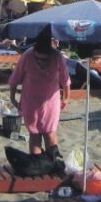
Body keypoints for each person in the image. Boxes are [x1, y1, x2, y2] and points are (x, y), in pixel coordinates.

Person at [8, 24, 70, 155]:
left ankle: (45, 164)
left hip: (41, 101)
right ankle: (44, 163)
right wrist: (13, 97)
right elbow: (15, 78)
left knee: (42, 134)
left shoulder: (49, 56)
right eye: (39, 58)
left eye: (44, 59)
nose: (41, 61)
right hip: (40, 100)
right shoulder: (36, 55)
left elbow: (65, 80)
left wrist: (67, 97)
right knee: (42, 133)